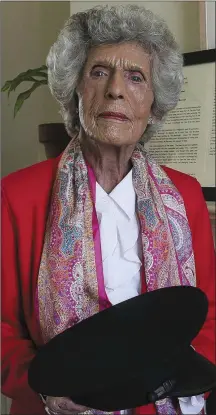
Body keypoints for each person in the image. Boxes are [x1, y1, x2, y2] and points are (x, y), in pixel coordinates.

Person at [1, 4, 215, 415]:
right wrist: (44, 386)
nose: (116, 89)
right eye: (99, 72)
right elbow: (3, 328)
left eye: (136, 77)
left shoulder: (185, 196)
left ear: (153, 103)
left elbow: (208, 313)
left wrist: (191, 388)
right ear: (75, 89)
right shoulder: (17, 195)